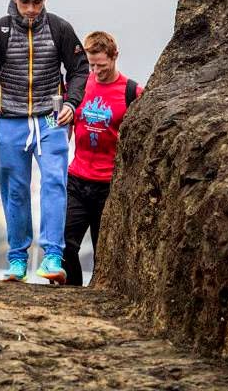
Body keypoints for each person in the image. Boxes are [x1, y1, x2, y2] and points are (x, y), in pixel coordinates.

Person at [0, 0, 88, 283]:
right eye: (24, 1)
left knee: (53, 183)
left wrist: (72, 104)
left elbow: (79, 68)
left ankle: (51, 257)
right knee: (15, 190)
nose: (31, 8)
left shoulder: (60, 29)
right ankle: (18, 259)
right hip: (11, 119)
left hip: (50, 118)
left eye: (36, 1)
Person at [63, 31, 142, 286]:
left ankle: (96, 297)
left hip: (107, 186)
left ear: (115, 56)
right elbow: (61, 123)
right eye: (92, 65)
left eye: (102, 65)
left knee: (104, 252)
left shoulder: (132, 92)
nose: (96, 71)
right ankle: (71, 297)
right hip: (76, 178)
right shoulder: (79, 85)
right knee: (64, 245)